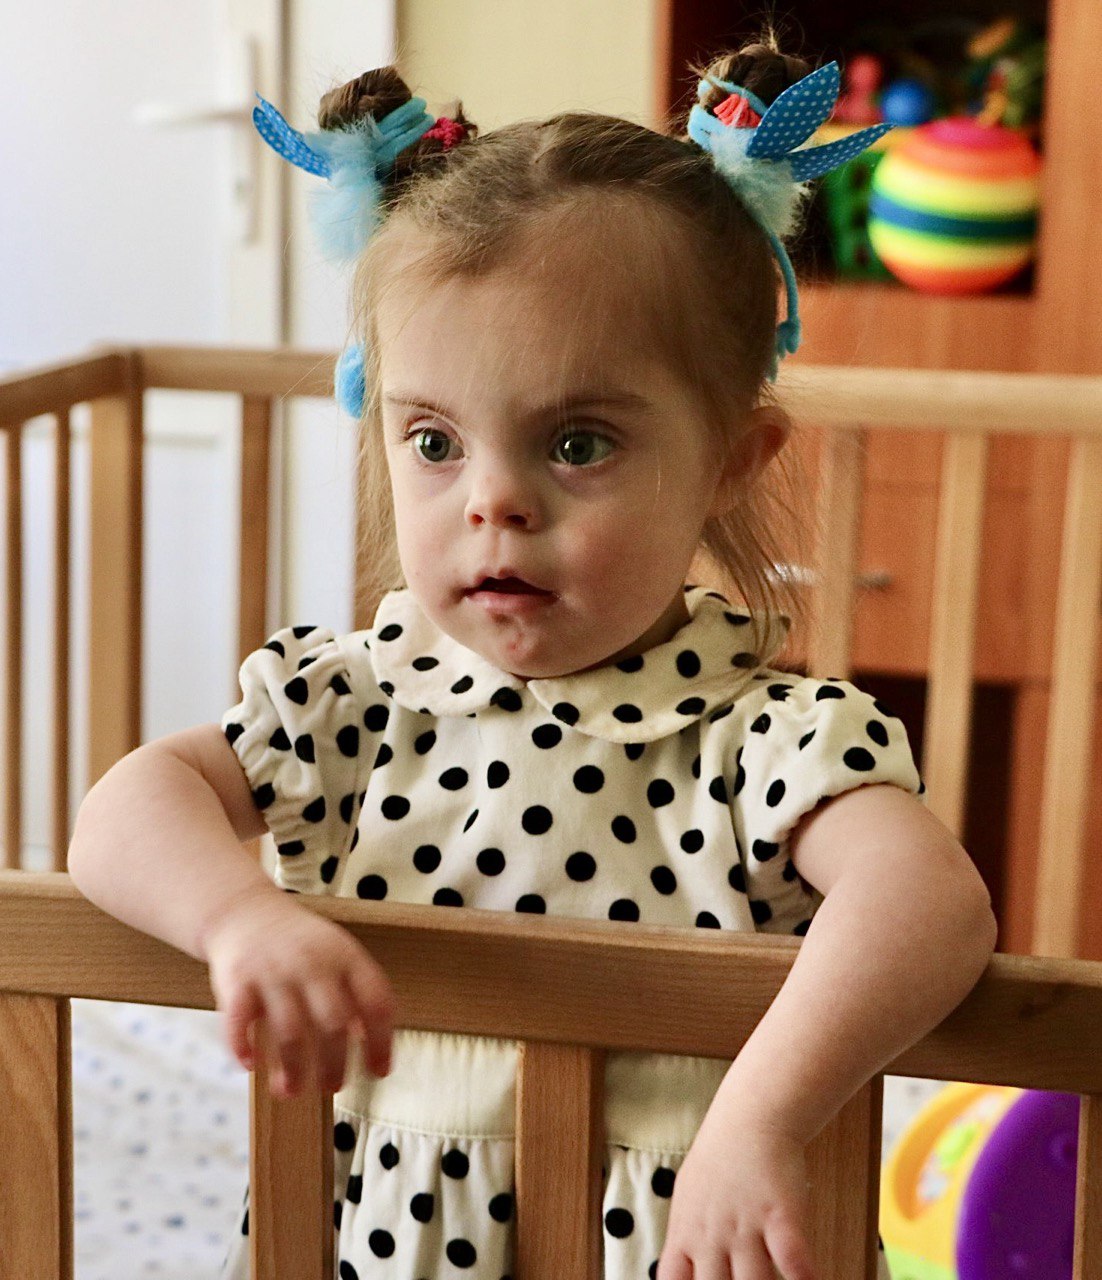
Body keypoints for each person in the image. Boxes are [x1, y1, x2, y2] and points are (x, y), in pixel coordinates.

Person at [66, 33, 998, 1280]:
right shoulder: (354, 700)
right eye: (434, 440)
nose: (491, 502)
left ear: (729, 461)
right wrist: (239, 920)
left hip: (684, 1241)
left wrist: (761, 1116)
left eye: (576, 444)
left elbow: (930, 904)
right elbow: (122, 812)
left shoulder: (760, 738)